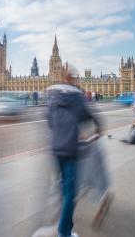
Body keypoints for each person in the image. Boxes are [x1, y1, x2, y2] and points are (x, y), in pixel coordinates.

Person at [47, 66, 101, 237]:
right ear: (73, 80)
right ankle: (63, 231)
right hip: (71, 148)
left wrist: (60, 131)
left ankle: (67, 227)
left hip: (56, 147)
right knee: (71, 192)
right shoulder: (77, 98)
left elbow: (49, 121)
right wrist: (98, 129)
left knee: (64, 188)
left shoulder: (55, 97)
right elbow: (90, 117)